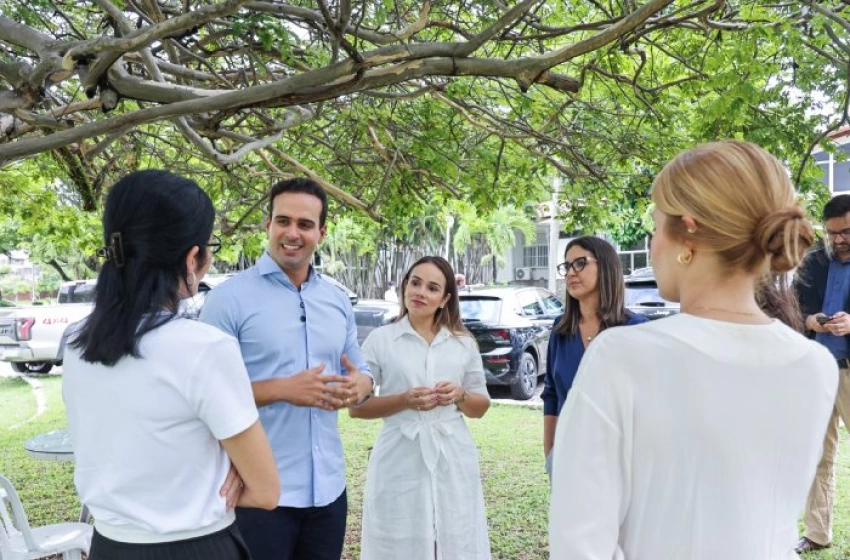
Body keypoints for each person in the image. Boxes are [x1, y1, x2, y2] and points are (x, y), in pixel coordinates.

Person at [548, 140, 838, 559]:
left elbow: (579, 544)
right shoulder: (815, 365)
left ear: (686, 233)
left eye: (655, 223)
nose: (652, 242)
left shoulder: (622, 356)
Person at [63, 170, 279, 560]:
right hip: (196, 547)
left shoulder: (77, 344)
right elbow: (265, 491)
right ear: (193, 257)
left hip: (110, 546)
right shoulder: (204, 347)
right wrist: (222, 474)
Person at [200, 177, 374, 560]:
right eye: (283, 221)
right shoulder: (227, 300)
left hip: (328, 490)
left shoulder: (337, 300)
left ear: (321, 233)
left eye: (305, 224)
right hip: (257, 493)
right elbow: (202, 396)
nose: (292, 233)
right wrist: (281, 389)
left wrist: (361, 384)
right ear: (268, 225)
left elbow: (359, 367)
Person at [350, 256, 491, 559]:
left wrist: (460, 394)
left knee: (455, 534)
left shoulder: (463, 343)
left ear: (445, 299)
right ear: (404, 286)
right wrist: (403, 400)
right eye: (415, 283)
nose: (420, 292)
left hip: (453, 454)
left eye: (432, 287)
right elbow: (357, 408)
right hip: (399, 455)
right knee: (398, 538)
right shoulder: (380, 340)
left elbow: (480, 407)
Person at [541, 236, 647, 476]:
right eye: (566, 266)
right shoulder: (561, 330)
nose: (570, 273)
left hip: (621, 460)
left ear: (606, 266)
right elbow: (551, 395)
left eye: (580, 263)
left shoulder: (634, 329)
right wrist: (550, 452)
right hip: (568, 457)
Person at [794, 193, 850, 553]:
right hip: (817, 368)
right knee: (818, 453)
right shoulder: (813, 262)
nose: (839, 240)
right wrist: (812, 321)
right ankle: (817, 533)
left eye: (845, 232)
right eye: (832, 234)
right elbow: (795, 312)